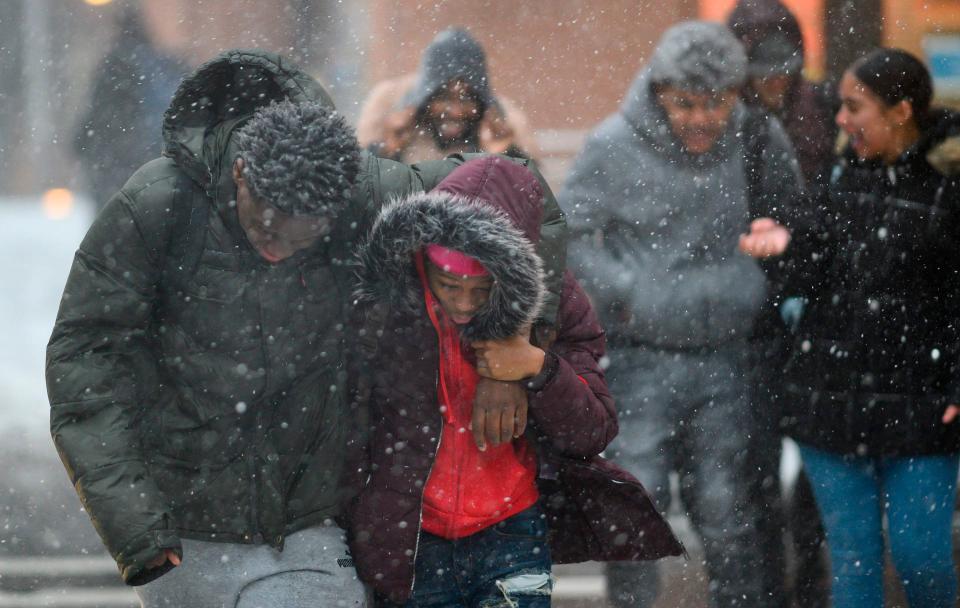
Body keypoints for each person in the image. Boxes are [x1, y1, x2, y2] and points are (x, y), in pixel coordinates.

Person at [46, 50, 567, 608]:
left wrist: (510, 345)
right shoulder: (159, 205)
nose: (277, 251)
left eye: (300, 240)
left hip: (310, 525)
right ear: (243, 172)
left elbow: (520, 193)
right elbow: (86, 358)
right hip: (185, 520)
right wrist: (134, 519)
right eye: (266, 228)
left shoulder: (362, 189)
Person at [347, 157, 683, 606]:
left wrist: (536, 368)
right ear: (422, 259)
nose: (464, 304)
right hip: (412, 536)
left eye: (482, 290)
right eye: (448, 285)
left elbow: (594, 428)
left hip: (512, 534)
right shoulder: (385, 306)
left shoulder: (555, 301)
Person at [562, 21, 803, 608]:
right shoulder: (612, 145)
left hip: (728, 359)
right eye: (685, 103)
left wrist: (755, 276)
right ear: (659, 93)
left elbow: (793, 219)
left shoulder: (758, 140)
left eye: (716, 102)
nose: (700, 118)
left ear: (736, 94)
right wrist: (627, 293)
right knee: (635, 514)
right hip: (637, 358)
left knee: (729, 514)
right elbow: (569, 234)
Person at [780, 48, 960, 608]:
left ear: (901, 110)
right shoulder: (838, 177)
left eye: (854, 106)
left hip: (923, 407)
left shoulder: (949, 188)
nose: (840, 119)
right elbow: (807, 273)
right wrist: (778, 249)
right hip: (831, 402)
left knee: (920, 556)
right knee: (854, 565)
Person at [727, 1, 834, 604]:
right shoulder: (726, 120)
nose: (772, 79)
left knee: (820, 451)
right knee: (756, 462)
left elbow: (840, 200)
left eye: (781, 66)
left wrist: (803, 239)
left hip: (818, 300)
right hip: (752, 308)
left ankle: (809, 564)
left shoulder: (821, 111)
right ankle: (771, 577)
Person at [356, 28, 536, 163]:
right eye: (442, 97)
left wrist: (507, 157)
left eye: (468, 98)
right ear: (424, 98)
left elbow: (538, 205)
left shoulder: (503, 125)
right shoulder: (390, 115)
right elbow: (359, 197)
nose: (456, 111)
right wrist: (387, 151)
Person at [73, 5, 188, 211]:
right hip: (146, 158)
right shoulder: (157, 64)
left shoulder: (116, 63)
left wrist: (80, 141)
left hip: (112, 158)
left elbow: (99, 110)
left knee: (111, 220)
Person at [728, 0, 837, 185]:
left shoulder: (822, 105)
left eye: (784, 73)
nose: (776, 83)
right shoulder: (730, 118)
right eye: (765, 76)